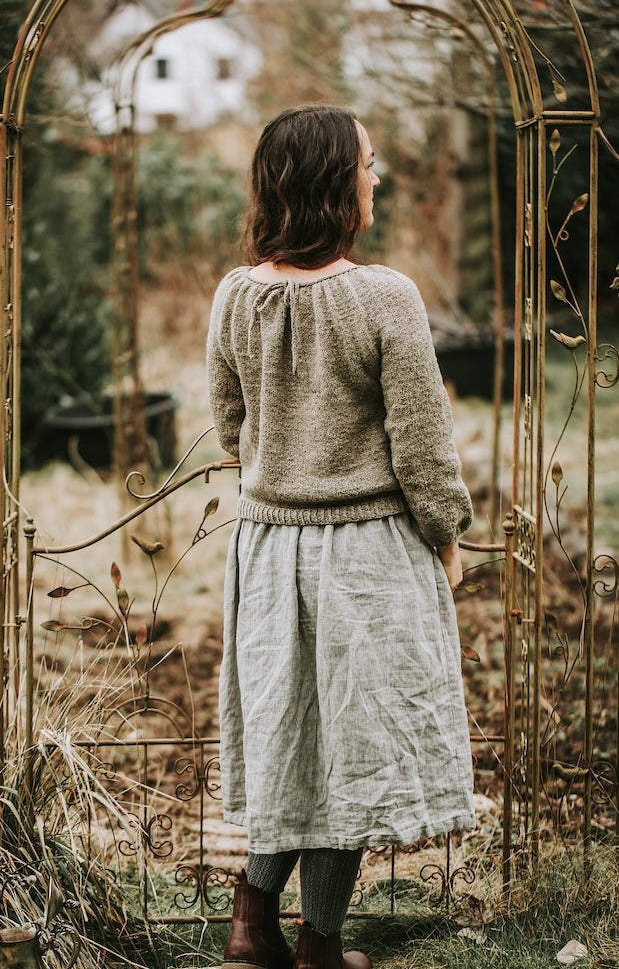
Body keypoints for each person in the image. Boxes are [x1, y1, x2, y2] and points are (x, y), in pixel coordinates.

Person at [206, 104, 475, 969]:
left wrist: (282, 465)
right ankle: (319, 945)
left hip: (267, 549)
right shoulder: (384, 296)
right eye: (366, 162)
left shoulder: (233, 294)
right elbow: (423, 444)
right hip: (366, 553)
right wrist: (445, 534)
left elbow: (228, 423)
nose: (377, 175)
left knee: (288, 734)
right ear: (332, 181)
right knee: (351, 747)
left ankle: (253, 927)